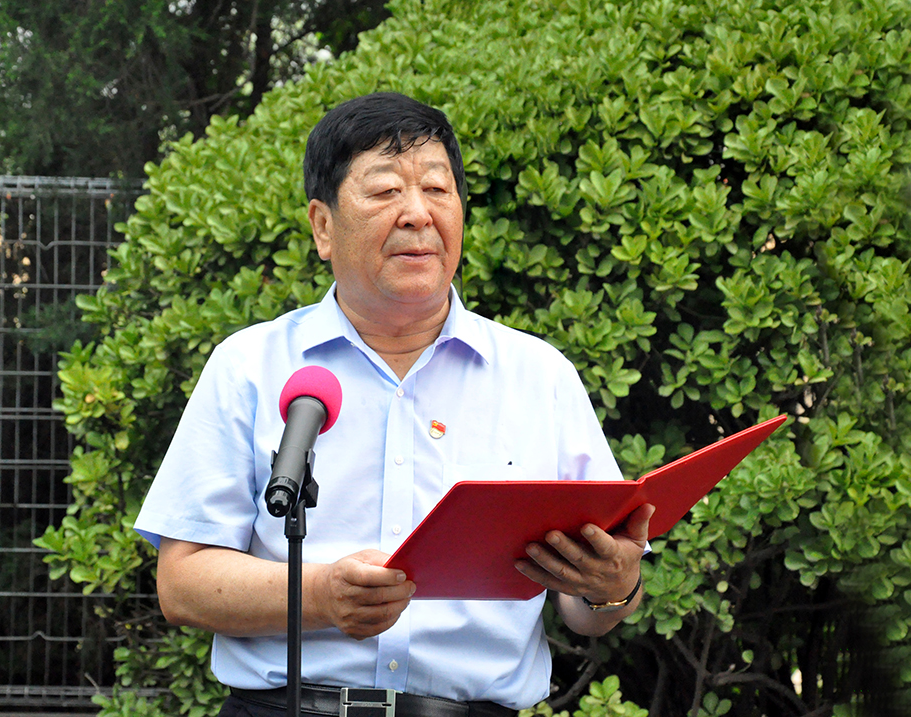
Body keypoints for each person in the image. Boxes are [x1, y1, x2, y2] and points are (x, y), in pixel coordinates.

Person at [133, 92, 653, 717]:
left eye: (437, 189)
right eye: (384, 192)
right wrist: (320, 596)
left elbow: (586, 609)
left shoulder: (539, 377)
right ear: (323, 227)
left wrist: (614, 588)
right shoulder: (251, 366)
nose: (417, 214)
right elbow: (183, 584)